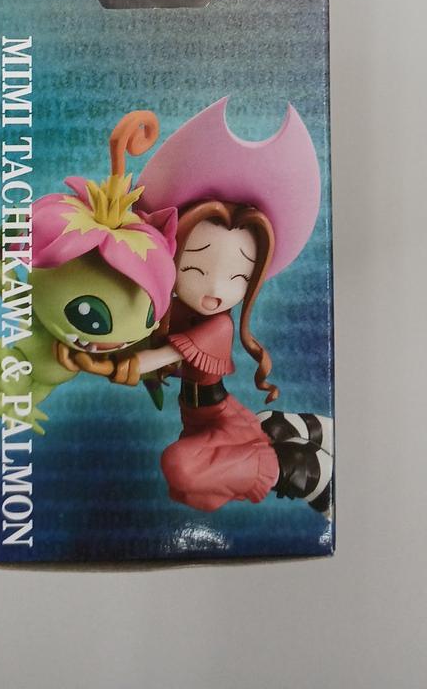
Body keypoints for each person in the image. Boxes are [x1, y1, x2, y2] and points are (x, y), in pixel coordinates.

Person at [68, 99, 333, 515]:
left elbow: (160, 356)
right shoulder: (174, 309)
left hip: (215, 416)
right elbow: (139, 331)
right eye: (194, 268)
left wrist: (118, 365)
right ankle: (276, 430)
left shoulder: (217, 327)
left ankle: (293, 466)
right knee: (186, 483)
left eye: (238, 277)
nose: (215, 290)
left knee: (181, 469)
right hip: (199, 418)